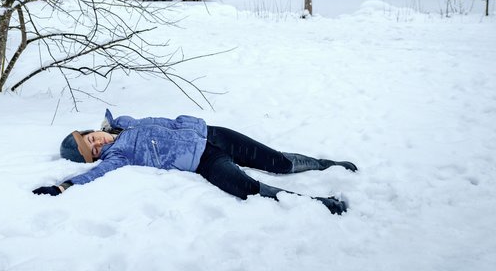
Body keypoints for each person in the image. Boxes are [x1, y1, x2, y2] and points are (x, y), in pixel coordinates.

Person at [32, 109, 357, 215]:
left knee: (281, 163)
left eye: (92, 138)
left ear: (93, 131)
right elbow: (94, 175)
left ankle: (325, 164)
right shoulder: (117, 156)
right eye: (93, 150)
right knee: (247, 188)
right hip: (205, 161)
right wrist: (63, 186)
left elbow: (167, 120)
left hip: (214, 135)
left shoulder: (125, 122)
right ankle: (319, 203)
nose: (98, 144)